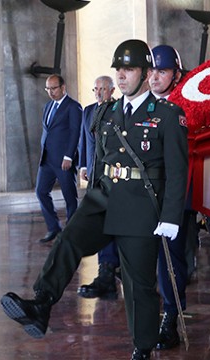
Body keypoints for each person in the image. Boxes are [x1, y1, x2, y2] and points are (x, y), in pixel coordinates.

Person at [0, 39, 189, 360]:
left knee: (137, 284)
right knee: (69, 238)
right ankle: (41, 303)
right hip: (104, 197)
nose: (121, 75)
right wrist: (91, 198)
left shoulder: (168, 115)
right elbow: (101, 160)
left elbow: (178, 170)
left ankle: (142, 347)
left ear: (144, 74)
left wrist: (171, 216)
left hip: (142, 205)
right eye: (118, 69)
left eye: (128, 69)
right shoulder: (106, 113)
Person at [147, 44, 192, 350]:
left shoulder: (185, 107)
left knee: (170, 259)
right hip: (143, 195)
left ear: (175, 74)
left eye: (161, 71)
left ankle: (170, 315)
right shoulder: (140, 105)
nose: (154, 77)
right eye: (150, 70)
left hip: (175, 196)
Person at [76, 76, 121, 301]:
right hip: (94, 174)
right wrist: (83, 165)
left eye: (104, 88)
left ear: (112, 90)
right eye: (97, 88)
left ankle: (110, 270)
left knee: (110, 221)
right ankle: (109, 269)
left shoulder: (119, 109)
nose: (100, 92)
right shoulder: (88, 110)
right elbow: (84, 140)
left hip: (113, 176)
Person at [36, 74, 82, 243]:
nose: (51, 92)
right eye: (48, 88)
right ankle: (53, 227)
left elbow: (75, 133)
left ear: (63, 87)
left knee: (69, 196)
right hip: (47, 159)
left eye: (54, 88)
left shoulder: (73, 107)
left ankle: (72, 232)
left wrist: (69, 156)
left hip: (64, 159)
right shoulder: (48, 106)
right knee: (41, 192)